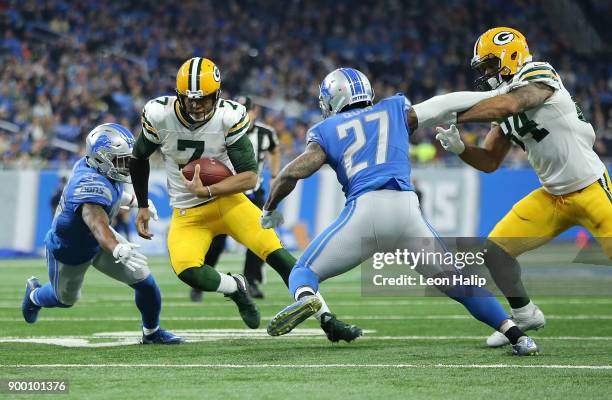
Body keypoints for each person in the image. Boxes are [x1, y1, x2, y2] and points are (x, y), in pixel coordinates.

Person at [261, 67, 539, 355]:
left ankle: (309, 298)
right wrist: (494, 94)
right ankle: (517, 335)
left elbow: (290, 173)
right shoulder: (394, 109)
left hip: (364, 212)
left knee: (302, 272)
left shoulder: (326, 130)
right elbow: (443, 104)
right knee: (458, 282)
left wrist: (270, 208)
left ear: (332, 99)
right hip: (406, 211)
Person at [129, 57, 362, 342]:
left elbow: (250, 178)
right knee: (187, 270)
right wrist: (142, 204)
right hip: (188, 213)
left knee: (278, 255)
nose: (197, 106)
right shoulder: (158, 114)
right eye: (190, 100)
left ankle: (328, 320)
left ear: (217, 94)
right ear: (178, 96)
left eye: (204, 99)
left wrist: (209, 191)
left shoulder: (229, 116)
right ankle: (235, 287)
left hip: (230, 203)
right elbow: (138, 158)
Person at [432, 27, 612, 347]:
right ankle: (525, 315)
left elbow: (512, 104)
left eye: (490, 65)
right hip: (553, 196)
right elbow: (489, 161)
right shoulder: (503, 101)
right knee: (495, 253)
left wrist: (455, 112)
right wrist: (461, 149)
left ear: (511, 56)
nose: (486, 74)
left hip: (590, 188)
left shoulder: (537, 74)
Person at [21, 123, 183, 344]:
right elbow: (97, 224)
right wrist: (117, 247)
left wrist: (135, 201)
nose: (128, 165)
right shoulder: (88, 183)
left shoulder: (97, 167)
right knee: (65, 299)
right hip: (71, 250)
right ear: (101, 158)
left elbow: (112, 193)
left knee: (144, 281)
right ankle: (34, 295)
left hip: (99, 241)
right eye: (122, 160)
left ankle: (151, 332)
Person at [189, 95, 281, 302]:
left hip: (253, 192)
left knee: (259, 237)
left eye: (246, 110)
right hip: (226, 192)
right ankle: (202, 281)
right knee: (216, 240)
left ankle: (252, 281)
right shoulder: (223, 128)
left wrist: (275, 174)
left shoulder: (265, 133)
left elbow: (275, 149)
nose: (243, 115)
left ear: (254, 111)